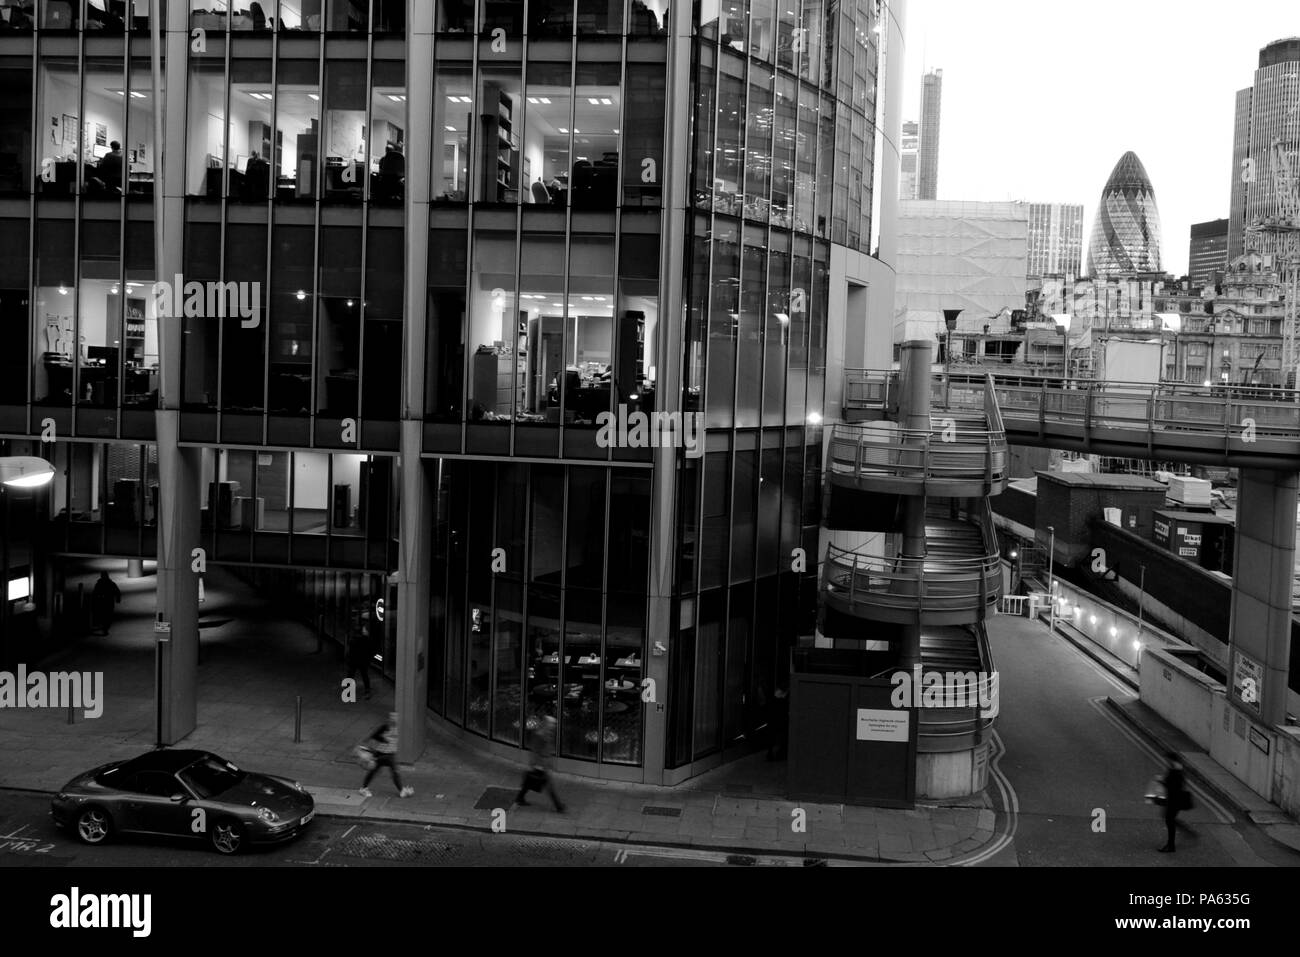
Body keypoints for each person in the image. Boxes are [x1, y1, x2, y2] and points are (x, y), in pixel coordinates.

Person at [514, 715, 565, 813]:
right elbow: (535, 751)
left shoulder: (547, 734)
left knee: (529, 782)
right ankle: (558, 806)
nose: (553, 727)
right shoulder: (540, 735)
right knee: (548, 785)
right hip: (540, 765)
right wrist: (536, 764)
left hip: (542, 764)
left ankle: (520, 797)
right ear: (547, 725)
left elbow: (547, 750)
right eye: (552, 724)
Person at [360, 712, 414, 798]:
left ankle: (364, 788)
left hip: (390, 753)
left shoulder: (397, 728)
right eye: (393, 718)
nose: (394, 720)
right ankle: (401, 791)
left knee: (385, 771)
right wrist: (384, 740)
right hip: (382, 753)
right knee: (388, 770)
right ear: (390, 719)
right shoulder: (385, 727)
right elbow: (374, 735)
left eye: (396, 718)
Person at [1157, 752, 1193, 852]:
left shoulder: (1176, 771)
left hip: (1174, 800)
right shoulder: (1176, 769)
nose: (1166, 761)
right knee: (1170, 820)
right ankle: (1173, 842)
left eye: (1167, 759)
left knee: (1169, 820)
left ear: (1172, 760)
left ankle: (1171, 846)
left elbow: (1173, 786)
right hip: (1174, 799)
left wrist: (1163, 782)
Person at [345, 616, 372, 699]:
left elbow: (350, 648)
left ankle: (348, 691)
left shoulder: (353, 639)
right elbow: (368, 649)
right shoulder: (365, 639)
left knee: (351, 674)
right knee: (364, 675)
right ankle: (367, 690)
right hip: (362, 660)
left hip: (354, 659)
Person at [90, 570, 121, 636]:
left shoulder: (99, 584)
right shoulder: (111, 583)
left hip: (102, 602)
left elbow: (95, 593)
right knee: (108, 615)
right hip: (109, 601)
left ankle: (104, 627)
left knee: (103, 615)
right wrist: (118, 599)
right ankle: (105, 628)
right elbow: (117, 591)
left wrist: (94, 600)